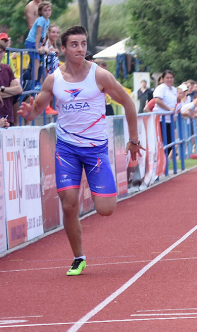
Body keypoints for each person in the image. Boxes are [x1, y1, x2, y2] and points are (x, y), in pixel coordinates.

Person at [17, 25, 142, 276]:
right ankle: (79, 257)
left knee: (106, 209)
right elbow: (37, 109)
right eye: (74, 44)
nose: (80, 49)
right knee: (69, 205)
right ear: (63, 49)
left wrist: (134, 140)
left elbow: (128, 103)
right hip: (67, 149)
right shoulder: (54, 79)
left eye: (83, 44)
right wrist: (28, 114)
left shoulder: (100, 76)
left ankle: (91, 187)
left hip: (95, 150)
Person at [152, 70, 179, 155]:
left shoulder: (174, 89)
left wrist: (173, 112)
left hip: (169, 119)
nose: (169, 79)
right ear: (163, 79)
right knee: (163, 141)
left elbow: (173, 103)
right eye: (167, 78)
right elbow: (157, 100)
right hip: (161, 118)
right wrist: (168, 109)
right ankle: (161, 161)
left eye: (171, 78)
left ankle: (164, 161)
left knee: (171, 142)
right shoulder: (161, 88)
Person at [26, 1, 52, 84]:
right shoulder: (41, 20)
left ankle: (35, 81)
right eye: (45, 10)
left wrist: (42, 45)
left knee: (39, 64)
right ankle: (34, 82)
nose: (47, 12)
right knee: (36, 63)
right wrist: (37, 47)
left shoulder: (47, 21)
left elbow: (44, 34)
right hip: (32, 42)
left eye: (49, 10)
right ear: (40, 12)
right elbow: (38, 34)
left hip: (38, 43)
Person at [0, 39, 24, 124]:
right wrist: (11, 90)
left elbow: (19, 90)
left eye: (0, 52)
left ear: (4, 53)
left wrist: (3, 90)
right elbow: (15, 91)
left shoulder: (7, 68)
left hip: (8, 115)